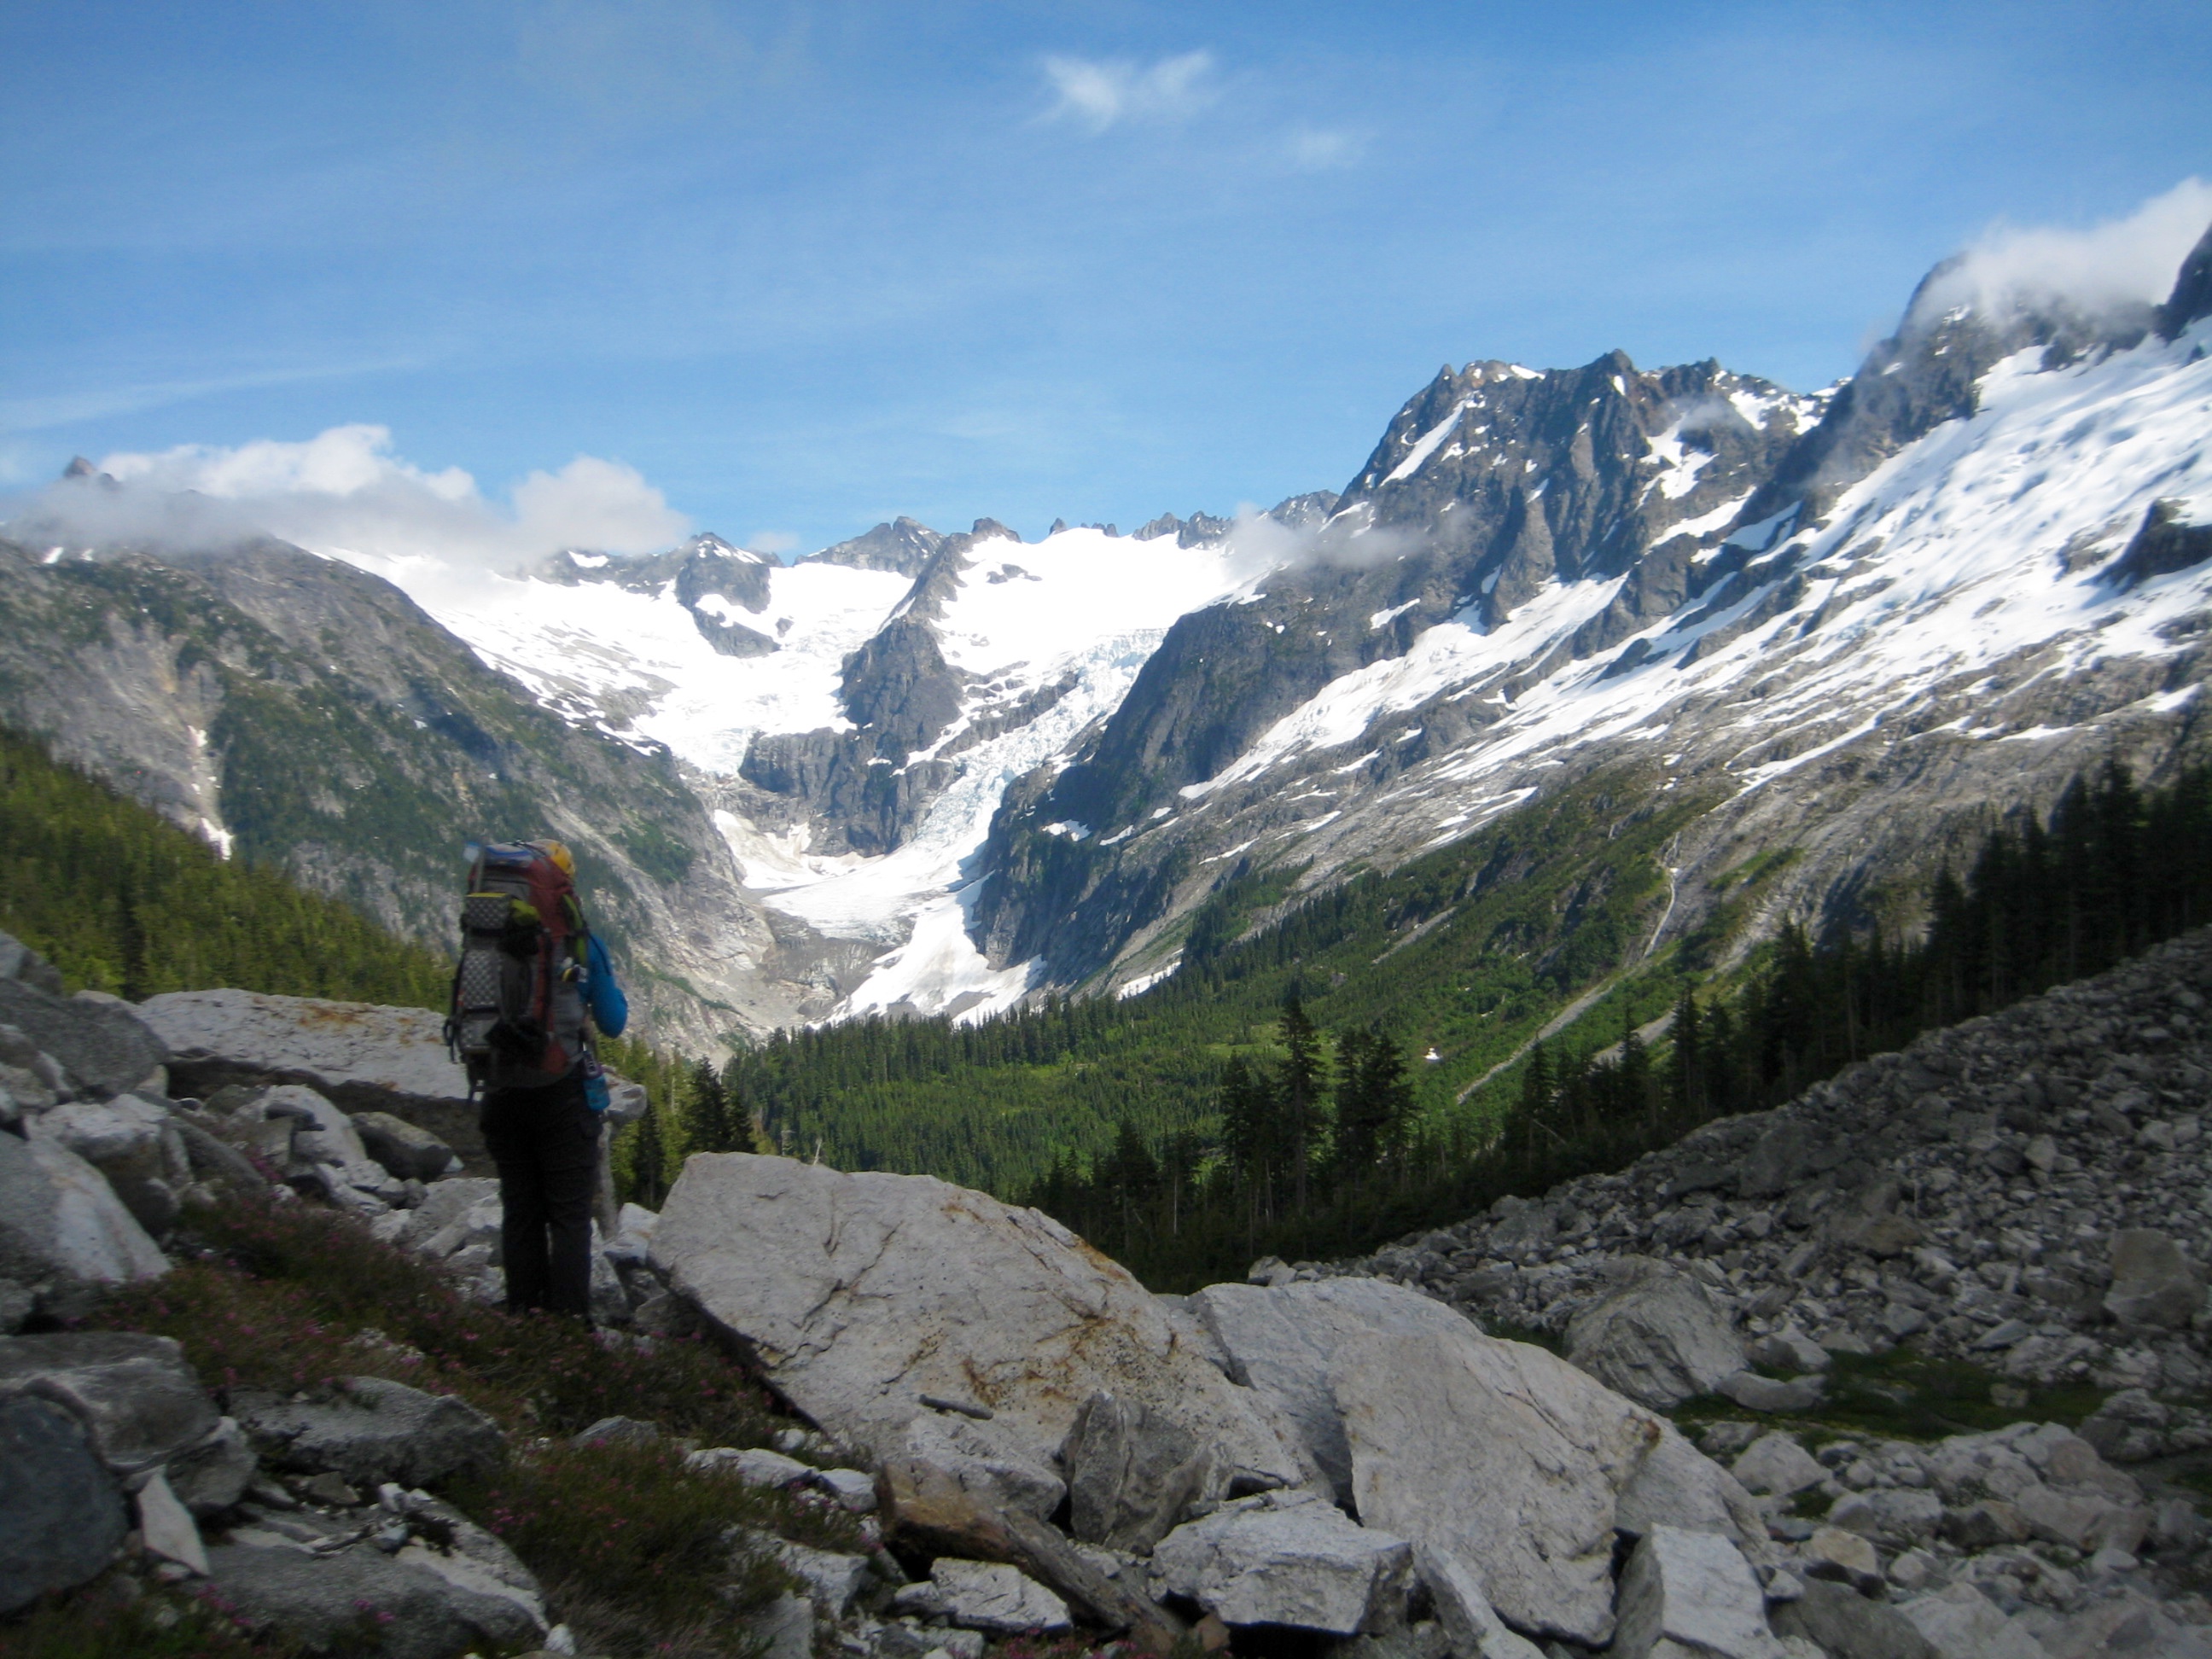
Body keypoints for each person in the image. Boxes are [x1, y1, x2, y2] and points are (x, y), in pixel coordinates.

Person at [477, 839, 627, 1319]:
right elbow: (613, 1021)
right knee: (568, 1216)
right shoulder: (579, 942)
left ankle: (522, 1312)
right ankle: (569, 1332)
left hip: (499, 1089)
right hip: (560, 1092)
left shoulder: (484, 940)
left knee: (519, 1207)